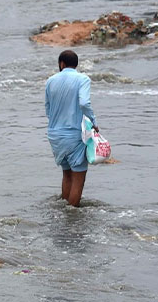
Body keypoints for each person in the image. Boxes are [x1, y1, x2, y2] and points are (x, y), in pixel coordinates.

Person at [45, 50, 97, 207]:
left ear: (61, 64)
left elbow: (47, 108)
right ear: (76, 64)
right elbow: (84, 103)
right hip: (74, 134)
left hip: (55, 135)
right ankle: (72, 217)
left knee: (67, 174)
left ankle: (63, 211)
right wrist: (93, 121)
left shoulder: (50, 80)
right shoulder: (83, 79)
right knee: (79, 178)